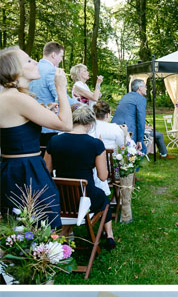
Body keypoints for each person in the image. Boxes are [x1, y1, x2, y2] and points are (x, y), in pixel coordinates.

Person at [0, 46, 72, 227]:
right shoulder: (17, 98)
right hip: (27, 172)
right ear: (15, 70)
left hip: (12, 169)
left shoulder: (8, 96)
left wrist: (44, 111)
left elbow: (16, 129)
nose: (35, 62)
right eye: (29, 60)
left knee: (20, 229)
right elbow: (66, 124)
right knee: (41, 227)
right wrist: (61, 89)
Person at [45, 105, 116, 248]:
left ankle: (64, 236)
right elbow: (103, 177)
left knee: (99, 195)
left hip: (60, 198)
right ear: (90, 123)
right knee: (103, 197)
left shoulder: (54, 141)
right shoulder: (95, 144)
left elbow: (47, 171)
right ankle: (109, 235)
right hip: (85, 196)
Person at [28, 41, 64, 151]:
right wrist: (81, 107)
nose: (61, 59)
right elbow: (61, 97)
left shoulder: (32, 68)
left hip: (30, 123)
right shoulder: (52, 71)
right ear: (53, 55)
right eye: (61, 56)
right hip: (48, 125)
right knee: (48, 161)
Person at [112, 78, 147, 152]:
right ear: (140, 88)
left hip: (114, 126)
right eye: (145, 86)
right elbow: (141, 120)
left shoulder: (126, 96)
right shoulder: (141, 98)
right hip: (128, 128)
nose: (146, 89)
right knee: (141, 150)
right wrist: (140, 140)